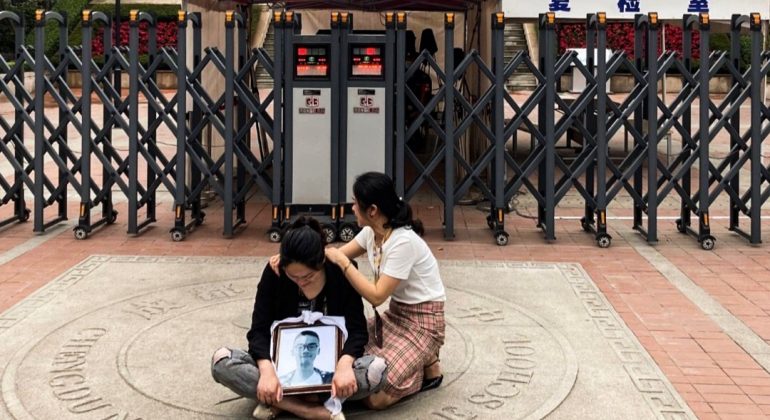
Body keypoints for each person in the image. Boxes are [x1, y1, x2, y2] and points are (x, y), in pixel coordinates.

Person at [211, 217, 388, 420]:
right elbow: (258, 331)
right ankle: (307, 409)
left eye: (308, 276)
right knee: (221, 361)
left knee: (376, 370)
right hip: (279, 372)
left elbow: (357, 331)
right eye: (294, 277)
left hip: (331, 374)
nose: (301, 282)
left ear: (321, 263)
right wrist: (267, 371)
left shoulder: (341, 273)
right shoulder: (274, 273)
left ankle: (278, 402)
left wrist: (345, 365)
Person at [325, 171, 446, 410]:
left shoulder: (403, 242)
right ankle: (424, 360)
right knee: (339, 345)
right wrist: (291, 255)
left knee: (375, 397)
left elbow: (377, 295)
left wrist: (343, 263)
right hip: (395, 316)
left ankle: (425, 370)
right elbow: (338, 254)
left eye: (355, 203)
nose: (352, 208)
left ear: (372, 210)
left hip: (424, 325)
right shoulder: (372, 232)